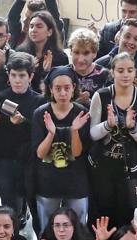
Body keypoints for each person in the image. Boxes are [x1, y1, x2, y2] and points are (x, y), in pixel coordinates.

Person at [87, 51, 137, 228]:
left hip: (129, 169)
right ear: (112, 72)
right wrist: (107, 126)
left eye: (130, 70)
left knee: (124, 219)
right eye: (121, 70)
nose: (125, 74)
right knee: (99, 217)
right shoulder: (101, 96)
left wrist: (132, 127)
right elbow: (92, 133)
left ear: (135, 72)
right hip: (101, 167)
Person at [0, 52, 46, 224]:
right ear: (8, 76)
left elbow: (44, 130)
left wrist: (24, 121)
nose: (17, 80)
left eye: (22, 75)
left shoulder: (39, 101)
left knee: (32, 205)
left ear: (31, 76)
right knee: (9, 205)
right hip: (3, 159)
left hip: (29, 161)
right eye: (13, 75)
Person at [33, 71, 93, 228]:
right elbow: (40, 153)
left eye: (67, 88)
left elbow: (77, 153)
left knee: (78, 228)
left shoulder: (82, 113)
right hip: (48, 182)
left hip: (76, 182)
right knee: (47, 228)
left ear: (73, 88)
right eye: (58, 88)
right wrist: (51, 133)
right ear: (50, 89)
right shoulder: (41, 113)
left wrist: (74, 131)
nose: (63, 93)